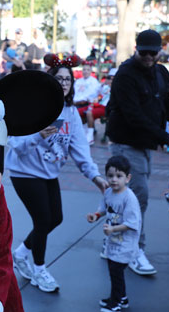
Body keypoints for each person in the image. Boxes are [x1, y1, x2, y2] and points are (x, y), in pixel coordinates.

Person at [8, 53, 108, 293]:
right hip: (24, 173)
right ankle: (39, 269)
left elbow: (80, 149)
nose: (64, 84)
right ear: (50, 81)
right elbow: (18, 147)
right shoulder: (33, 107)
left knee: (55, 218)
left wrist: (96, 177)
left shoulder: (71, 113)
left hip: (48, 173)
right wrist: (37, 135)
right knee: (43, 220)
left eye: (67, 80)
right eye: (59, 79)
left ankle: (21, 254)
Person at [106, 29, 169, 276]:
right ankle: (134, 249)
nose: (148, 57)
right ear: (136, 49)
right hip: (127, 142)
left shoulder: (160, 72)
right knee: (138, 198)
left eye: (153, 52)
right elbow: (133, 116)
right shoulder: (125, 75)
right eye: (144, 52)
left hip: (145, 143)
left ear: (160, 51)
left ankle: (115, 242)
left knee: (128, 198)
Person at [86, 155, 140, 312]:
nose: (114, 180)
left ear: (127, 178)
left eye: (119, 176)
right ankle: (121, 298)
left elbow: (132, 223)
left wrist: (113, 230)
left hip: (125, 243)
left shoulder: (129, 198)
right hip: (113, 242)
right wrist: (96, 215)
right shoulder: (109, 192)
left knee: (116, 272)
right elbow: (104, 208)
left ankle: (115, 303)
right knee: (114, 271)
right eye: (110, 176)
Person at [73, 61, 102, 144]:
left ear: (90, 71)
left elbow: (92, 95)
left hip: (86, 103)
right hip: (76, 102)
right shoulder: (78, 81)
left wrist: (79, 101)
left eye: (88, 70)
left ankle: (87, 133)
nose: (85, 71)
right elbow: (75, 93)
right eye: (84, 69)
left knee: (82, 112)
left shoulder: (94, 82)